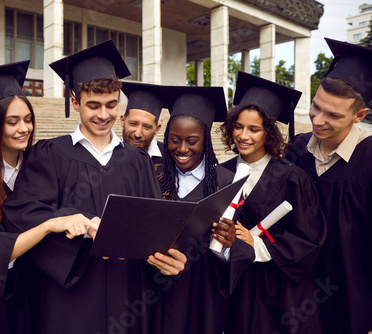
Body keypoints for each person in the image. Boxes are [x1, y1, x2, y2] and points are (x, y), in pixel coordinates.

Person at [3, 40, 186, 334]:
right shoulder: (49, 154)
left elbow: (155, 224)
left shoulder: (137, 160)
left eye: (111, 105)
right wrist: (77, 225)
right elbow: (23, 214)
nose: (103, 115)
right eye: (93, 105)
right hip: (68, 299)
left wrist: (168, 257)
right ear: (74, 102)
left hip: (128, 293)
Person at [0, 60, 95, 334]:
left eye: (28, 119)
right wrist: (47, 225)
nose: (24, 128)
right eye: (12, 122)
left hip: (47, 289)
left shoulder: (45, 163)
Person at [220, 71, 326, 334]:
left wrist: (254, 244)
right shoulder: (221, 172)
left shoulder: (291, 177)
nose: (244, 136)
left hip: (279, 293)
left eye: (254, 129)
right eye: (238, 126)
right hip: (236, 287)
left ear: (268, 132)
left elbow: (309, 239)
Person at [285, 38, 372, 334]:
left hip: (352, 299)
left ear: (359, 115)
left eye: (334, 115)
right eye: (315, 106)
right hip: (295, 295)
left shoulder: (370, 160)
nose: (318, 120)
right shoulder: (296, 150)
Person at [151, 86, 237, 334]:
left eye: (192, 141)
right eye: (174, 139)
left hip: (203, 293)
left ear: (205, 140)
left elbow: (233, 252)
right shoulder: (152, 175)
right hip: (153, 290)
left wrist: (229, 245)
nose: (182, 149)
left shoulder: (226, 181)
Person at [120, 81, 166, 165]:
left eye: (146, 127)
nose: (138, 134)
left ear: (157, 129)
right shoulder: (108, 154)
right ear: (122, 121)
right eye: (133, 124)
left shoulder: (168, 158)